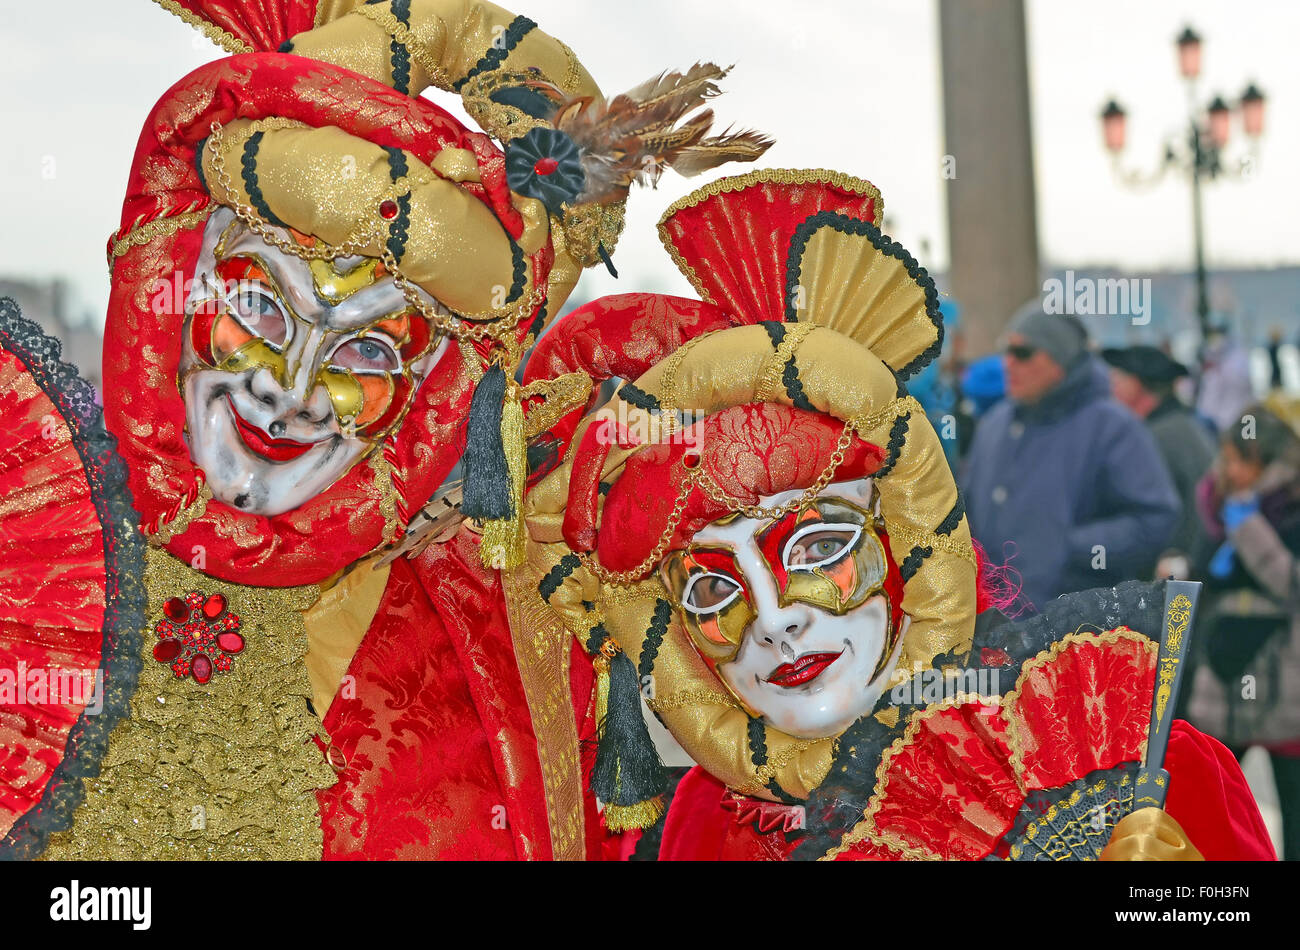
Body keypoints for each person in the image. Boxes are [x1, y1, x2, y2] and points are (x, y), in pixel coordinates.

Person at [0, 0, 767, 860]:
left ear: (434, 389)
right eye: (259, 307)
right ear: (180, 276)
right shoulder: (37, 558)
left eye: (364, 354)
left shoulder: (511, 596)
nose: (291, 394)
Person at [518, 170, 1273, 861]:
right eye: (714, 591)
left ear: (907, 536)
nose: (774, 621)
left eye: (814, 549)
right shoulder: (705, 823)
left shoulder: (1145, 767)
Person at [962, 304, 1180, 611]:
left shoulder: (1113, 427)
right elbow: (966, 513)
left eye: (1023, 353)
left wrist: (1069, 547)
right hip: (991, 628)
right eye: (1006, 351)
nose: (1008, 363)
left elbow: (1155, 518)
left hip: (1075, 630)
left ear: (1060, 360)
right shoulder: (995, 425)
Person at [1187, 399, 1300, 860]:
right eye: (1227, 458)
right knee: (1212, 796)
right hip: (1223, 674)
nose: (1230, 469)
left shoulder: (1289, 508)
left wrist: (1249, 528)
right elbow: (1201, 574)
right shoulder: (1218, 503)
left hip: (1282, 674)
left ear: (1267, 460)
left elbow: (1290, 582)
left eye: (1240, 460)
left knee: (1292, 804)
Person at [1103, 344, 1216, 575]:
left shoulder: (1156, 438)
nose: (1110, 387)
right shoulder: (1181, 426)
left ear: (1136, 385)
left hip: (1174, 575)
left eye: (1117, 378)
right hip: (1188, 571)